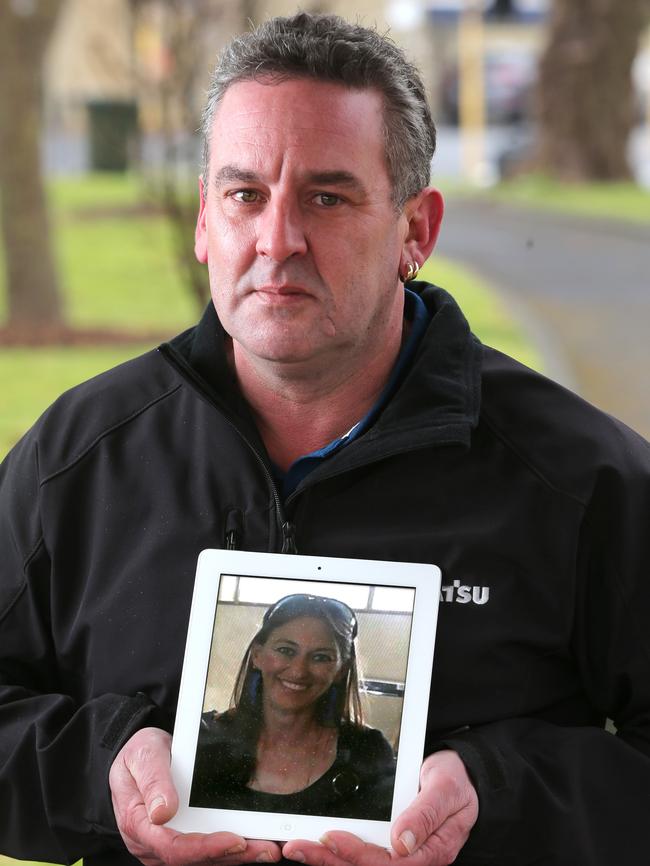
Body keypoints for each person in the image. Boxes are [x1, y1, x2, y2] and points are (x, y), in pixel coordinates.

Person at [0, 10, 649, 866]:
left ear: (415, 230)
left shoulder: (580, 478)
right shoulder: (76, 462)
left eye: (327, 197)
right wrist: (103, 767)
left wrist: (499, 794)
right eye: (245, 195)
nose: (277, 240)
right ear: (203, 222)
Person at [190, 593, 396, 820]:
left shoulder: (368, 751)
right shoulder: (203, 738)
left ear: (341, 670)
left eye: (320, 657)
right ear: (257, 655)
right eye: (286, 650)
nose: (299, 671)